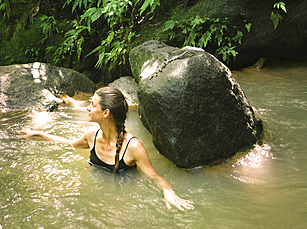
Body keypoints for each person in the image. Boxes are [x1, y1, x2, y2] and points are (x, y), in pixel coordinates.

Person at [21, 86, 194, 211]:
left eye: (93, 105)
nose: (88, 108)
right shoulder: (92, 135)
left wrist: (168, 191)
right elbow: (69, 144)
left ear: (106, 113)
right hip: (93, 194)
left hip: (121, 199)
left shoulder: (132, 146)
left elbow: (154, 177)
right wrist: (39, 135)